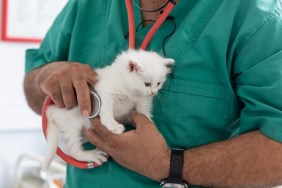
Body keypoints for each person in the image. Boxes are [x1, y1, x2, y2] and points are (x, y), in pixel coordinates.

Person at [23, 0, 282, 187]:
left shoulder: (256, 16)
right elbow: (35, 94)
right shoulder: (87, 6)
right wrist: (48, 76)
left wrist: (167, 164)